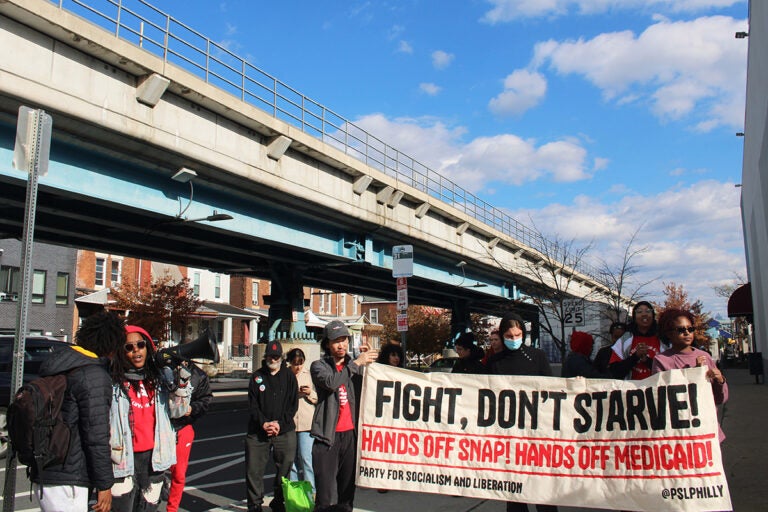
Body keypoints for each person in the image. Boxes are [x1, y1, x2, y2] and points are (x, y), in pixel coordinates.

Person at [31, 310, 123, 512]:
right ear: (112, 345)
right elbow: (96, 436)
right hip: (70, 478)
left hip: (45, 470)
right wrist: (105, 484)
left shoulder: (58, 364)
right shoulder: (94, 375)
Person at [110, 325, 189, 512]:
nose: (136, 350)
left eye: (141, 344)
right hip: (123, 461)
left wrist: (181, 381)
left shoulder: (160, 379)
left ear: (148, 348)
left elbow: (178, 411)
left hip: (155, 460)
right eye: (129, 347)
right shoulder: (113, 381)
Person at [487, 313, 557, 512]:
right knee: (515, 492)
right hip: (510, 436)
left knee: (543, 491)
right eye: (509, 336)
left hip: (537, 434)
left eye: (518, 335)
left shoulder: (537, 357)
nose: (514, 339)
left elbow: (553, 390)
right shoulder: (495, 362)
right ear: (502, 335)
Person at [310, 320, 378, 512]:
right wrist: (357, 362)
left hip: (350, 437)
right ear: (327, 344)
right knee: (324, 497)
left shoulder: (355, 366)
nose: (341, 345)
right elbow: (331, 382)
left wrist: (370, 361)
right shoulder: (319, 366)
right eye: (336, 341)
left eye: (344, 340)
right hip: (327, 438)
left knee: (347, 495)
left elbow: (373, 385)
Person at [652, 308, 728, 442]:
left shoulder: (704, 356)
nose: (687, 333)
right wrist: (695, 373)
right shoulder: (662, 360)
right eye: (681, 330)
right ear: (669, 333)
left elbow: (720, 398)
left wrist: (719, 380)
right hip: (680, 433)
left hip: (707, 429)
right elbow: (662, 397)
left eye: (690, 329)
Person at [245, 340, 298, 512]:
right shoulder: (257, 376)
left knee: (285, 467)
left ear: (281, 358)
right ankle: (254, 504)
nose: (273, 359)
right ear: (265, 356)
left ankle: (279, 500)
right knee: (254, 469)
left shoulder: (289, 376)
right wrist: (264, 423)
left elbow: (293, 405)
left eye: (276, 356)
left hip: (284, 430)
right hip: (259, 430)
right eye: (270, 356)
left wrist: (279, 425)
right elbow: (252, 405)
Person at [165, 359, 213, 512]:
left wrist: (192, 409)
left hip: (183, 427)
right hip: (163, 428)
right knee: (155, 472)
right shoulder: (165, 369)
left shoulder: (199, 375)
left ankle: (172, 509)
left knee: (178, 474)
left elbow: (206, 399)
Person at [287, 347, 317, 495]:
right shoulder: (285, 375)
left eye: (300, 363)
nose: (298, 366)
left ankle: (311, 493)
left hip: (306, 423)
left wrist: (309, 393)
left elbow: (318, 398)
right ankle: (294, 494)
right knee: (291, 462)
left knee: (306, 459)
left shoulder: (309, 375)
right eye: (295, 363)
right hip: (290, 424)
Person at [609, 301, 665, 380]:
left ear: (653, 316)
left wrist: (647, 360)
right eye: (639, 312)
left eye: (648, 311)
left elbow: (670, 371)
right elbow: (614, 372)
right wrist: (635, 357)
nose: (644, 314)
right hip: (631, 390)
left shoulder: (663, 339)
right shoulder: (625, 340)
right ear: (634, 317)